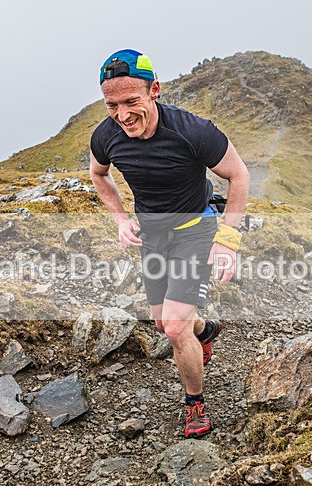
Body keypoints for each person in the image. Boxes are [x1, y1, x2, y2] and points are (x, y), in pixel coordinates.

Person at [89, 50, 249, 438]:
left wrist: (228, 240)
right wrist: (120, 218)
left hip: (195, 229)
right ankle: (204, 330)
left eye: (131, 101)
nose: (122, 115)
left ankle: (195, 403)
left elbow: (239, 176)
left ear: (154, 90)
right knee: (163, 322)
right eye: (112, 105)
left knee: (175, 329)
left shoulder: (193, 131)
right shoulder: (106, 136)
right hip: (153, 235)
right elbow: (98, 174)